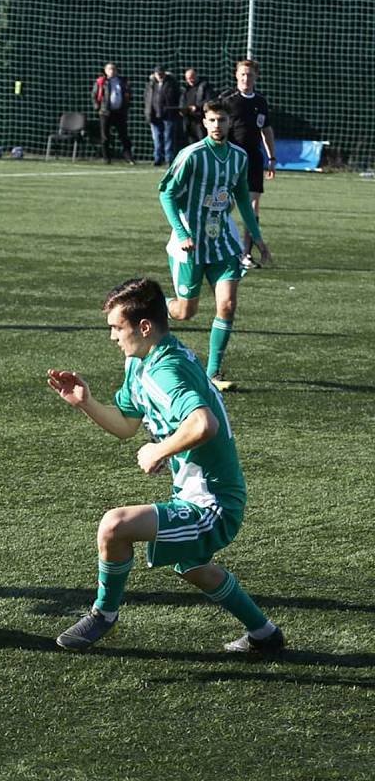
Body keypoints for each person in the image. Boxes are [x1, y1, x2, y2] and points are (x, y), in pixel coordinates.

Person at [48, 277, 285, 656]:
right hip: (196, 495)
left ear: (144, 327)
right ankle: (264, 633)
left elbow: (204, 423)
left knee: (115, 526)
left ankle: (104, 615)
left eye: (116, 328)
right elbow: (126, 426)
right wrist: (85, 403)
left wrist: (159, 450)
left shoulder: (165, 371)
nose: (112, 337)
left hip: (213, 505)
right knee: (192, 567)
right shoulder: (141, 363)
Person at [158, 98, 271, 391]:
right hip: (190, 244)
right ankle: (156, 303)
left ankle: (213, 374)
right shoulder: (192, 155)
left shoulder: (239, 157)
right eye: (212, 121)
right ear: (204, 123)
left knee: (228, 305)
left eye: (222, 120)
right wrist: (182, 233)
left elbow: (244, 200)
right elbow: (167, 194)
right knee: (186, 313)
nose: (217, 126)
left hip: (222, 241)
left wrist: (257, 237)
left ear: (229, 122)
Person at [220, 60, 276, 270]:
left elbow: (266, 130)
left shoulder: (261, 102)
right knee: (224, 204)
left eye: (250, 75)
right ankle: (216, 243)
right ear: (236, 76)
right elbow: (213, 122)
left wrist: (272, 158)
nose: (246, 78)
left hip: (253, 160)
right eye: (243, 74)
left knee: (252, 206)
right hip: (231, 159)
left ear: (256, 77)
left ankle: (245, 254)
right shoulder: (227, 100)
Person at [91, 62, 134, 164]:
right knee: (105, 136)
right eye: (110, 69)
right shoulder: (101, 82)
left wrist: (127, 105)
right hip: (105, 112)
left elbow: (128, 94)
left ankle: (128, 157)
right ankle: (106, 158)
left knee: (124, 136)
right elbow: (94, 95)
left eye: (114, 69)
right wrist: (97, 107)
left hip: (119, 112)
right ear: (105, 71)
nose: (112, 71)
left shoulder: (122, 81)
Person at [143, 65, 181, 165]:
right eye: (157, 74)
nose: (159, 76)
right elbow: (147, 99)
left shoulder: (172, 84)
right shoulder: (151, 85)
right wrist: (148, 112)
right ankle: (157, 159)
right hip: (154, 115)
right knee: (157, 138)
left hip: (168, 114)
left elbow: (177, 97)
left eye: (161, 73)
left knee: (168, 138)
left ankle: (169, 159)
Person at [181, 68, 215, 144]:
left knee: (203, 143)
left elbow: (210, 100)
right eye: (188, 78)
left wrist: (197, 107)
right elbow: (182, 102)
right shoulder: (185, 89)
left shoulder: (205, 86)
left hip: (201, 121)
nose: (190, 80)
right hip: (189, 122)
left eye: (192, 77)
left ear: (196, 76)